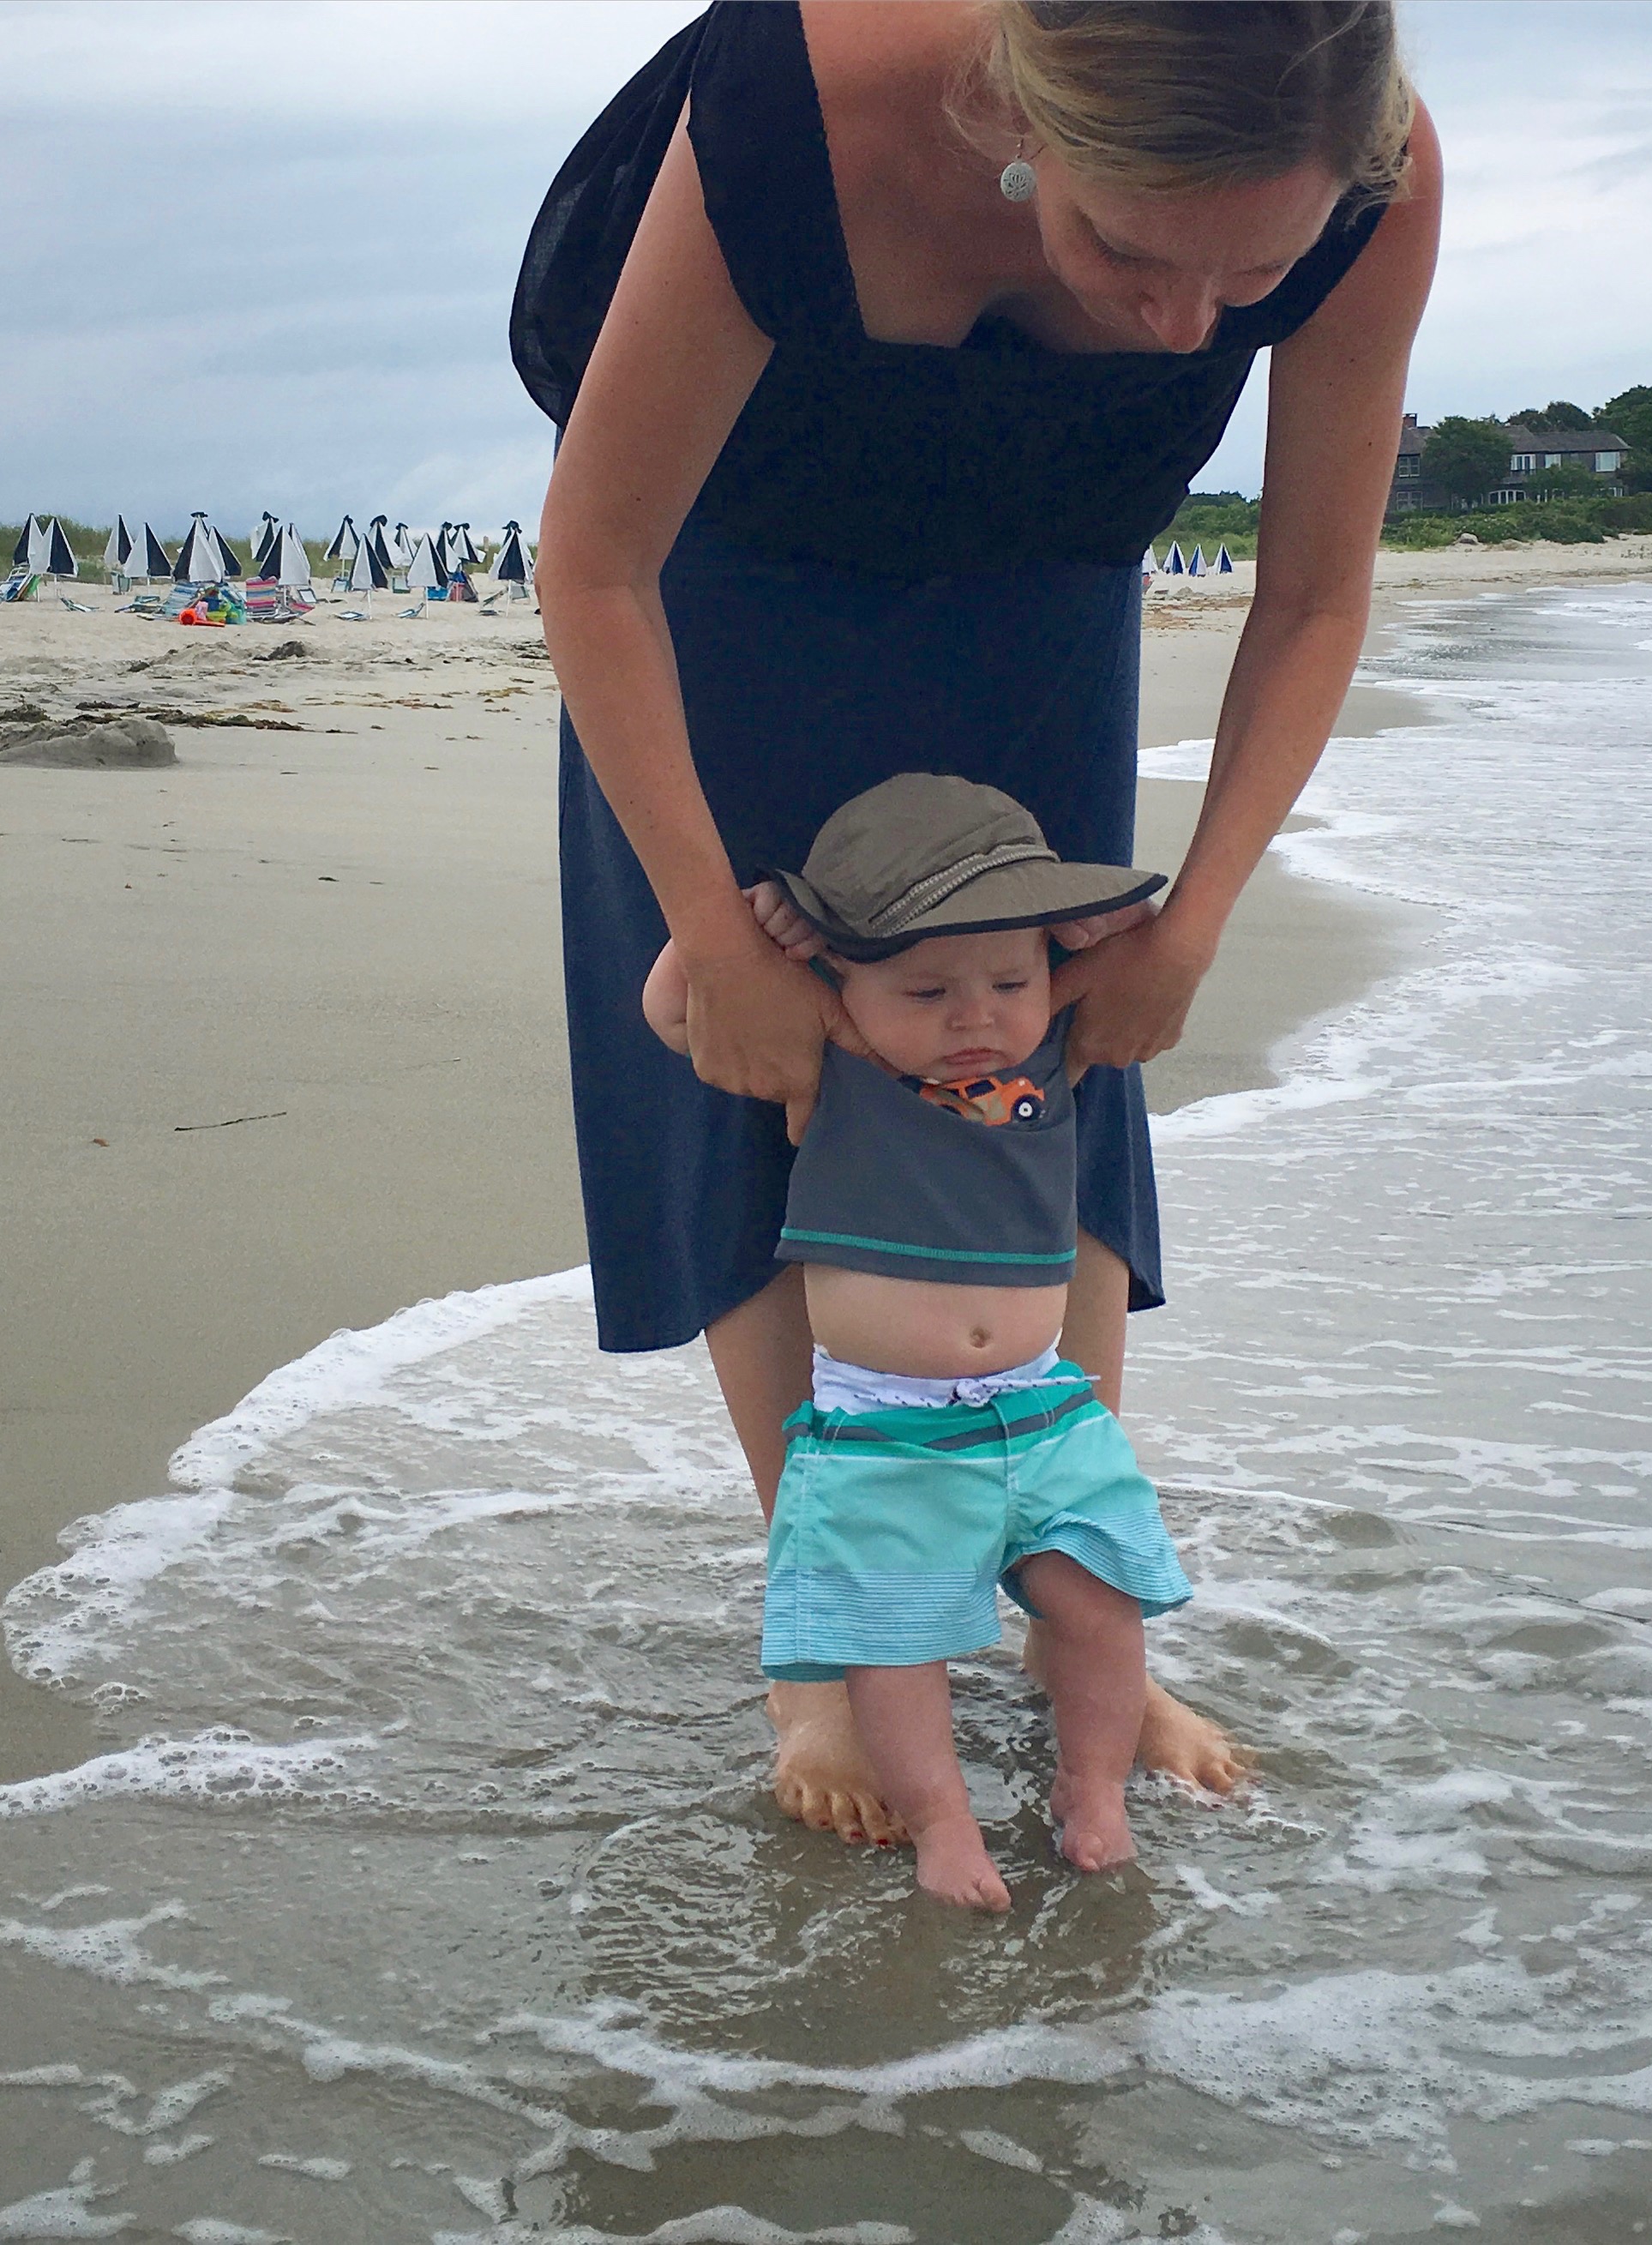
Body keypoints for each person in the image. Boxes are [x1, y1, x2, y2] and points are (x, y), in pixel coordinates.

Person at [521, 0, 1440, 1847]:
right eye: (1130, 251)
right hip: (727, 560)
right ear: (1027, 115)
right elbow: (593, 561)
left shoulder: (1372, 171)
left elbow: (1315, 595)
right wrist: (712, 928)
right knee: (767, 1067)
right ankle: (833, 1643)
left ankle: (1069, 1603)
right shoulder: (809, 108)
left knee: (1048, 1042)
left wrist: (1191, 919)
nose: (1185, 328)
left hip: (1045, 570)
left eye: (1244, 278)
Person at [645, 773, 1193, 1908]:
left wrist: (1093, 924)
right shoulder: (836, 1059)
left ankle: (1093, 1785)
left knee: (1102, 1605)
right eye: (929, 989)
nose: (973, 1017)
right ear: (843, 977)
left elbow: (1122, 952)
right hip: (883, 1433)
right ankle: (944, 1824)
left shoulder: (1050, 1056)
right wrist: (744, 928)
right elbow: (677, 1010)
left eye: (1009, 981)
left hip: (1048, 1412)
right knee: (892, 1650)